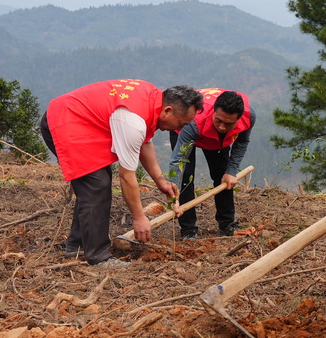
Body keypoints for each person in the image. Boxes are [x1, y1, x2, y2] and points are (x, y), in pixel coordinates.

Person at [39, 80, 203, 268]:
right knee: (96, 185)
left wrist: (160, 180)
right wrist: (139, 217)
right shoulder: (133, 121)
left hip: (80, 121)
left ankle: (77, 244)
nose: (179, 129)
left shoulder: (152, 99)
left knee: (96, 183)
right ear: (167, 110)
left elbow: (145, 142)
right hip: (66, 121)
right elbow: (126, 176)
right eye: (181, 123)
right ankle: (98, 255)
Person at [167, 88, 256, 239]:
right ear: (214, 111)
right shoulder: (193, 121)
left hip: (217, 141)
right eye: (219, 120)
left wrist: (232, 170)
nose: (222, 127)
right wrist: (173, 195)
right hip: (189, 132)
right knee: (186, 177)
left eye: (228, 123)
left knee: (223, 175)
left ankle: (227, 223)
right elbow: (178, 160)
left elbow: (242, 142)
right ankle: (188, 229)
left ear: (238, 119)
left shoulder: (248, 116)